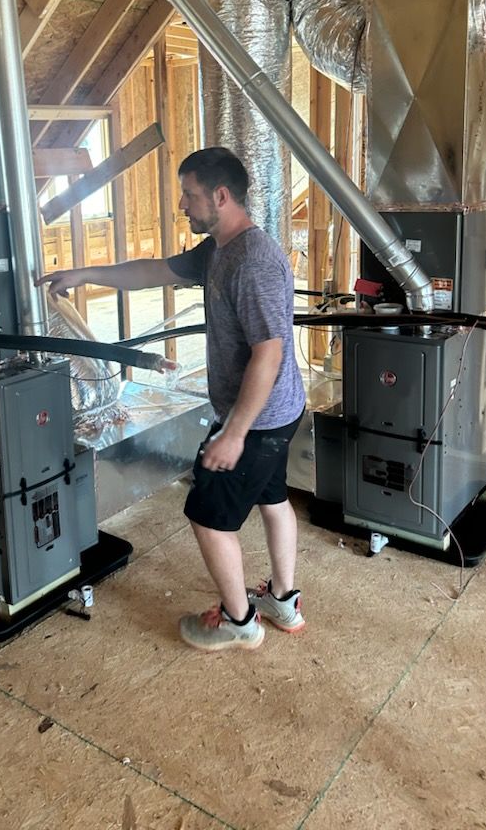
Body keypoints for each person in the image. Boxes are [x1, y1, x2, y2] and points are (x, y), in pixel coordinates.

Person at [39, 147, 306, 652]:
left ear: (220, 196)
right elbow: (153, 272)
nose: (182, 205)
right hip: (277, 413)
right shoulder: (220, 249)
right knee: (273, 500)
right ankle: (284, 601)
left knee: (206, 516)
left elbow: (267, 356)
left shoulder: (253, 262)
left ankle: (239, 621)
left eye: (190, 194)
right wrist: (83, 274)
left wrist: (234, 433)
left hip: (259, 419)